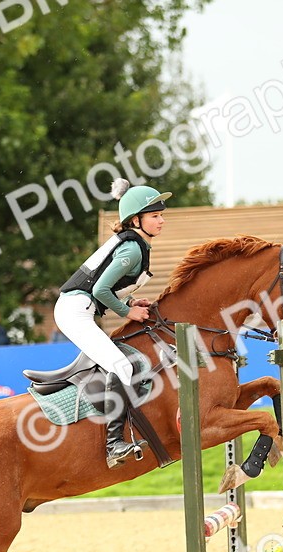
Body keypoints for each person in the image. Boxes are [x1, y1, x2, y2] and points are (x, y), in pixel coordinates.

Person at [53, 179, 170, 468]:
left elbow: (109, 289)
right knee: (122, 366)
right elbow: (100, 290)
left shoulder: (135, 244)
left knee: (121, 364)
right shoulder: (132, 250)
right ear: (136, 220)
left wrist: (130, 302)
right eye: (155, 216)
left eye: (161, 215)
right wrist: (127, 313)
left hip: (80, 307)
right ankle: (114, 444)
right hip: (75, 311)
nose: (161, 221)